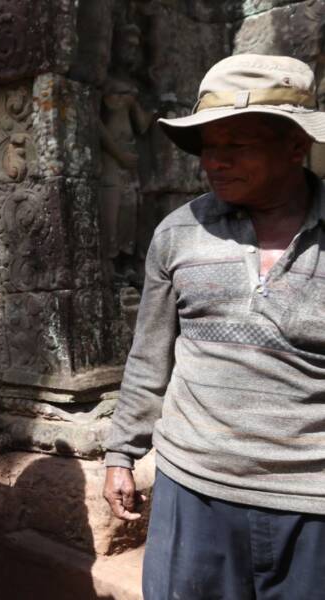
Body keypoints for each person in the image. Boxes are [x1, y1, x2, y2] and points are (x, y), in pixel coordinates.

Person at [103, 53, 325, 599]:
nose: (214, 162)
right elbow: (150, 356)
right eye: (208, 147)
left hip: (311, 502)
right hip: (193, 491)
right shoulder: (179, 234)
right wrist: (120, 454)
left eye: (237, 145)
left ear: (296, 145)